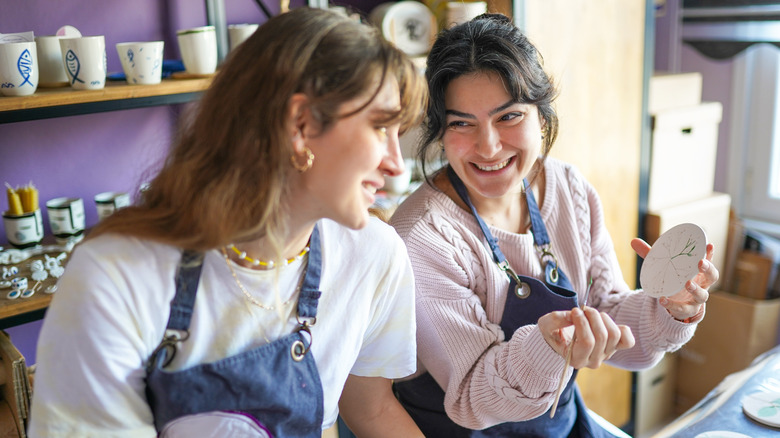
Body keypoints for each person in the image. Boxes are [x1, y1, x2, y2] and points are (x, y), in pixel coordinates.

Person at [29, 7, 427, 438]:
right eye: (380, 128)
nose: (395, 162)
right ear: (300, 125)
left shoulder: (373, 253)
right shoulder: (117, 275)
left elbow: (371, 410)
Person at [390, 13, 719, 437]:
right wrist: (547, 347)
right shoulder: (422, 236)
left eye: (508, 117)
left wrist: (670, 305)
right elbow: (473, 396)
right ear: (440, 132)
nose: (488, 146)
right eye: (461, 124)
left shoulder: (569, 189)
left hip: (559, 424)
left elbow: (614, 322)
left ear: (541, 118)